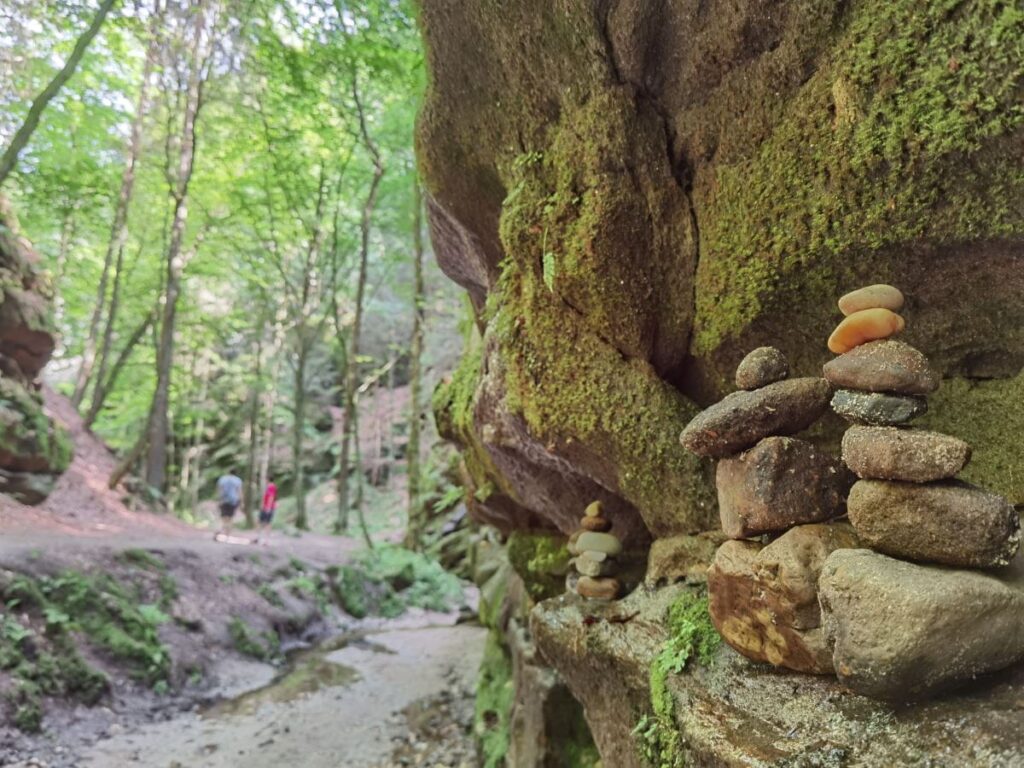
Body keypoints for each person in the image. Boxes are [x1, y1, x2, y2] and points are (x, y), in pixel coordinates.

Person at [215, 470, 243, 540]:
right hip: (233, 501)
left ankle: (222, 531)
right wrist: (241, 501)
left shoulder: (222, 479)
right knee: (230, 518)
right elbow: (239, 491)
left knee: (224, 517)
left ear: (229, 472)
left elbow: (219, 490)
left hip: (223, 500)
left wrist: (218, 500)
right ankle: (227, 535)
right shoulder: (238, 480)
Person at [256, 476, 277, 545]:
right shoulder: (270, 486)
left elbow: (271, 497)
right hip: (267, 507)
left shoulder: (271, 486)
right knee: (263, 522)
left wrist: (268, 507)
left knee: (265, 523)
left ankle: (265, 540)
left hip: (268, 508)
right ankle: (261, 539)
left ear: (267, 479)